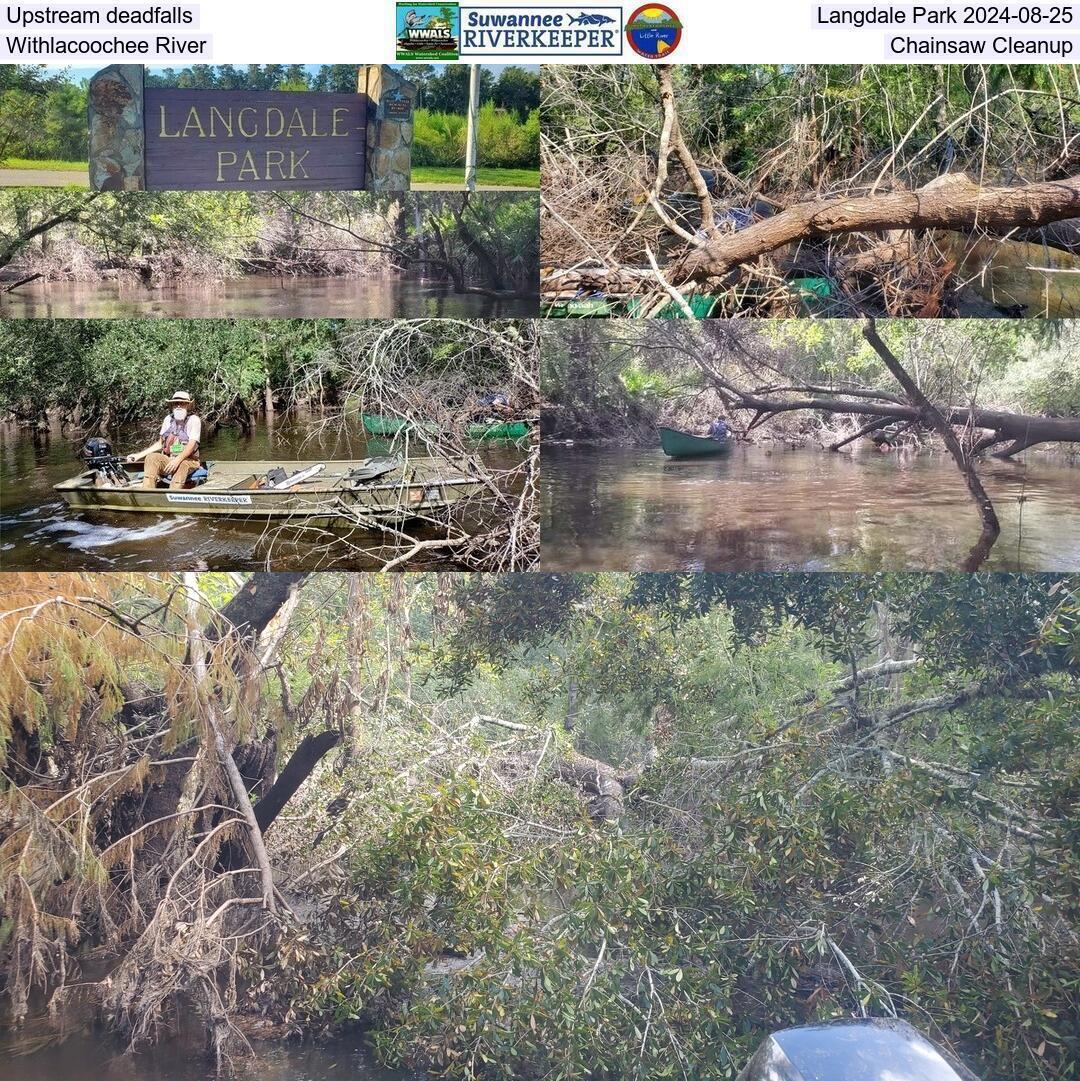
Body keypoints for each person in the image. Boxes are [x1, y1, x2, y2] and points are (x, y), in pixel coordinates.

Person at [127, 391, 203, 489]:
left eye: (182, 403)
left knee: (182, 465)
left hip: (189, 461)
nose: (179, 406)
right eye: (176, 403)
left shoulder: (194, 420)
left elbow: (191, 446)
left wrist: (177, 460)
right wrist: (138, 456)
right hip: (169, 459)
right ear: (172, 406)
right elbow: (160, 444)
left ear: (188, 405)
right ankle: (147, 492)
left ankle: (173, 494)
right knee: (151, 457)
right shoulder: (168, 419)